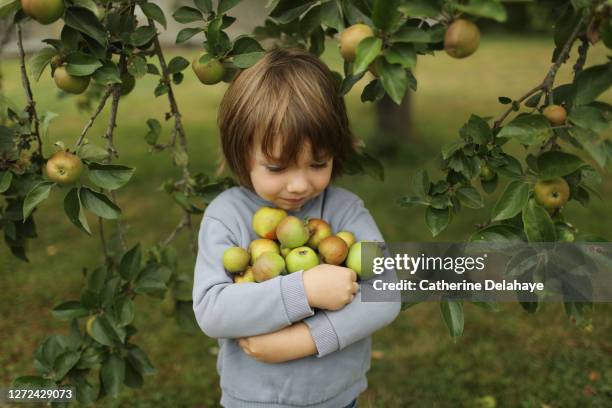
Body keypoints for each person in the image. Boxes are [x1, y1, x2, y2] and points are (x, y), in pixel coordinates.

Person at [192, 47, 401, 408]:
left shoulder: (346, 210)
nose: (300, 185)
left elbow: (386, 292)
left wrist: (306, 339)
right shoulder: (226, 215)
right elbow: (212, 310)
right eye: (277, 168)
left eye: (317, 163)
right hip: (252, 401)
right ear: (241, 154)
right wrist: (302, 289)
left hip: (337, 398)